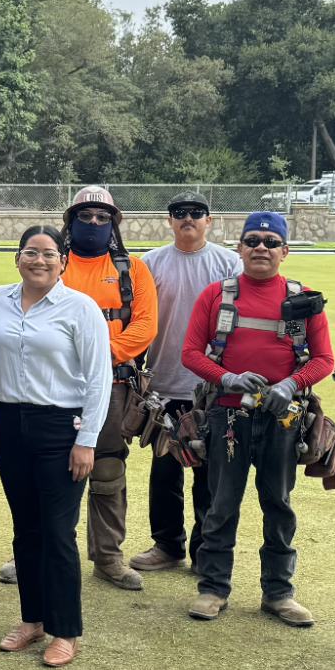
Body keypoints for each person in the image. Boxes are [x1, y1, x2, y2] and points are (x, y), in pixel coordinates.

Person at [179, 211, 333, 628]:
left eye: (270, 241)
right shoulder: (216, 295)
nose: (260, 248)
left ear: (284, 251)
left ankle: (278, 593)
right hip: (228, 415)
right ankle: (212, 588)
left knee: (278, 503)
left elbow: (324, 360)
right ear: (239, 248)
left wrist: (292, 383)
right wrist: (226, 376)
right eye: (252, 240)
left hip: (284, 417)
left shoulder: (305, 299)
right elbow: (191, 352)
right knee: (222, 502)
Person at [0, 225, 112, 668]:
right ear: (17, 258)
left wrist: (87, 441)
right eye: (30, 253)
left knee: (58, 532)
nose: (39, 260)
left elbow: (99, 379)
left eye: (49, 254)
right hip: (8, 423)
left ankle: (65, 629)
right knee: (26, 528)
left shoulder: (81, 307)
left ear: (63, 260)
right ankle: (32, 618)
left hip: (62, 428)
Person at [26, 186, 155, 592]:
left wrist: (98, 355)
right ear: (71, 222)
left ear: (113, 223)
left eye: (103, 217)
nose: (94, 224)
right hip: (52, 384)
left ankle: (108, 557)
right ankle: (34, 548)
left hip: (113, 385)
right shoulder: (52, 264)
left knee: (107, 468)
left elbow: (145, 326)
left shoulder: (132, 268)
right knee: (44, 468)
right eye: (85, 216)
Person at [130, 191, 241, 572]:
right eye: (180, 213)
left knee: (210, 473)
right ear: (169, 220)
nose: (188, 218)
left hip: (215, 386)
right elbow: (136, 321)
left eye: (196, 213)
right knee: (165, 471)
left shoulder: (229, 263)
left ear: (209, 220)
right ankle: (167, 545)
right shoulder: (150, 264)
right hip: (164, 382)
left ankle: (204, 552)